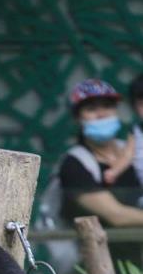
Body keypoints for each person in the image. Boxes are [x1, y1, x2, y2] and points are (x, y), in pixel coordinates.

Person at [59, 79, 143, 228]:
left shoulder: (134, 150)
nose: (101, 114)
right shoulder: (74, 163)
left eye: (107, 106)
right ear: (77, 118)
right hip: (95, 249)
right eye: (91, 109)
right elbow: (117, 216)